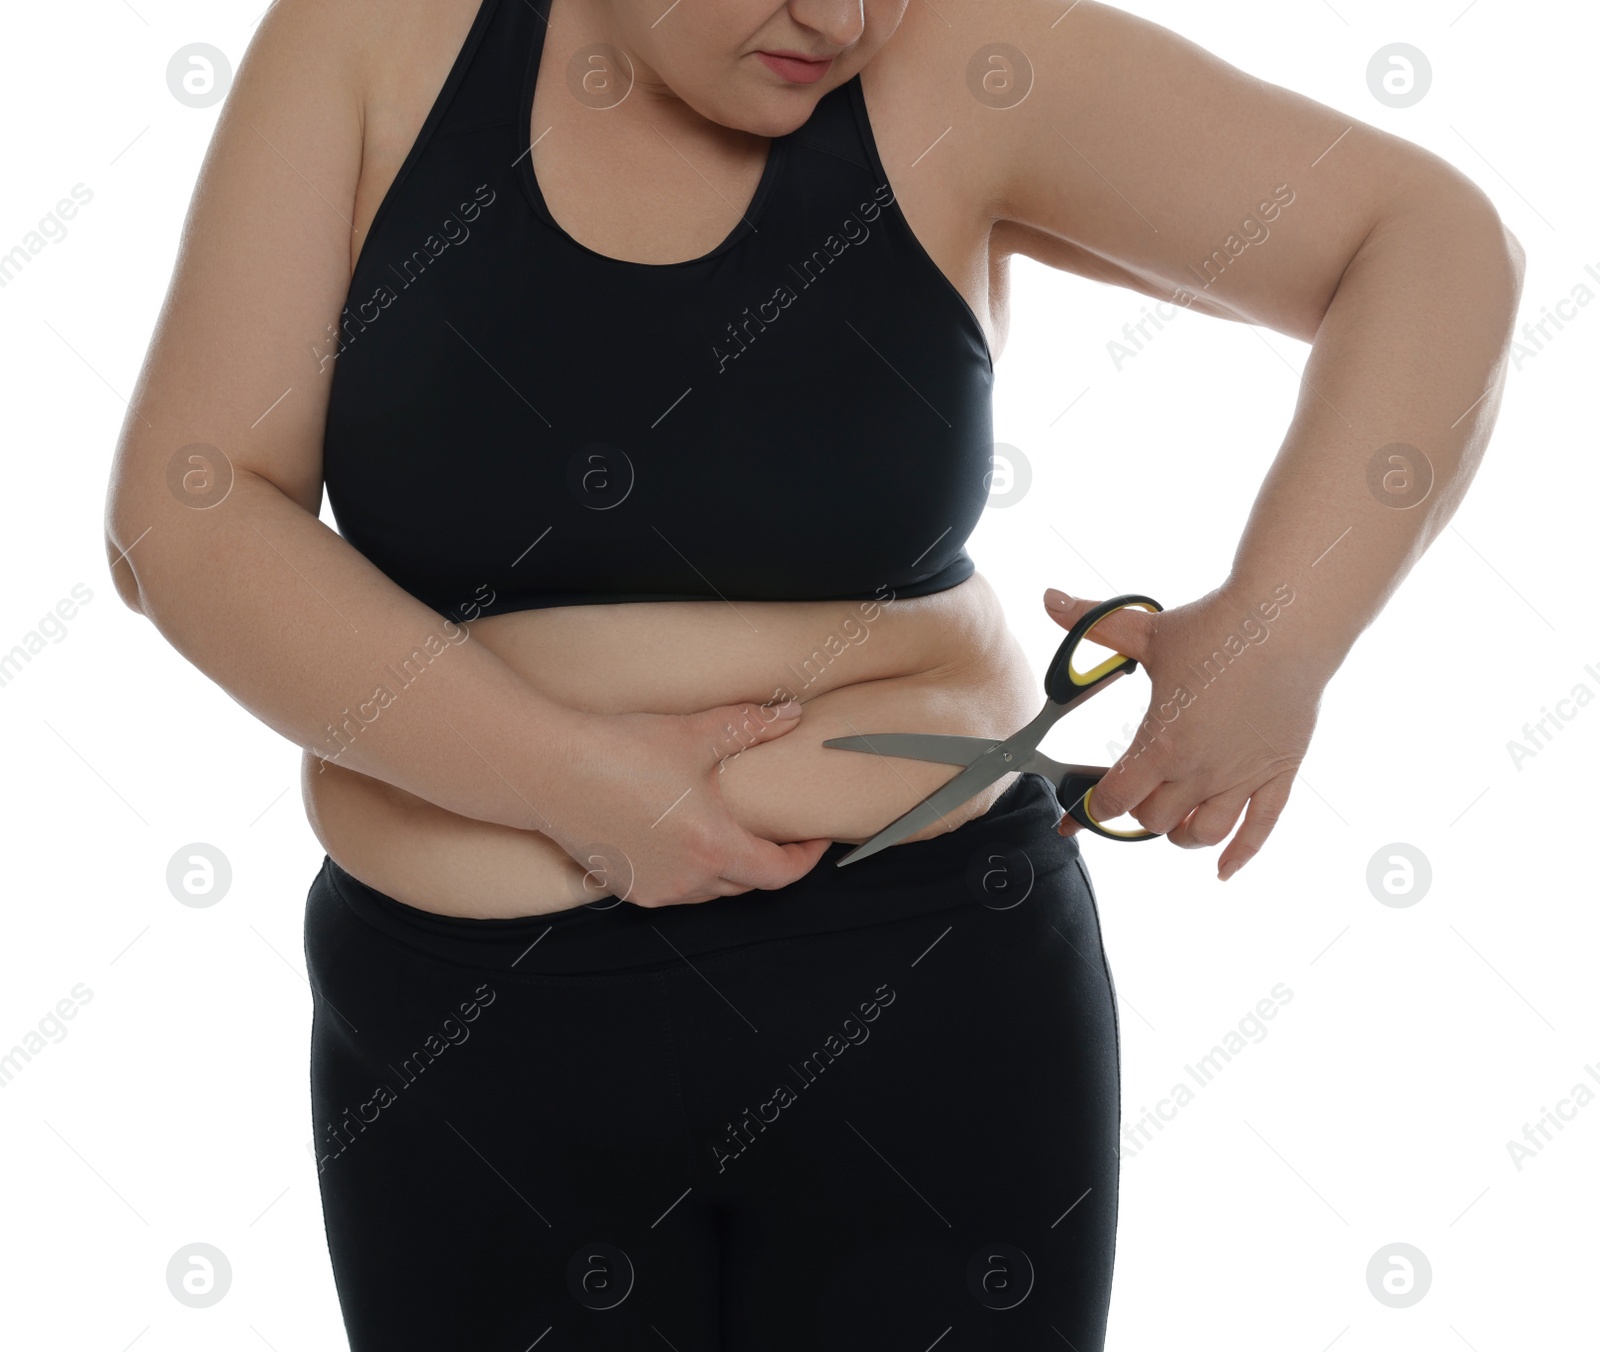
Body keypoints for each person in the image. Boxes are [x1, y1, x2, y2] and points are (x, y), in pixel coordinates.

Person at [103, 0, 1523, 1346]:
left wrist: (1280, 639)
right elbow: (189, 507)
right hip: (469, 1050)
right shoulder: (369, 43)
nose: (837, 21)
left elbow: (1429, 240)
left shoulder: (962, 55)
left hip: (926, 1000)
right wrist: (571, 782)